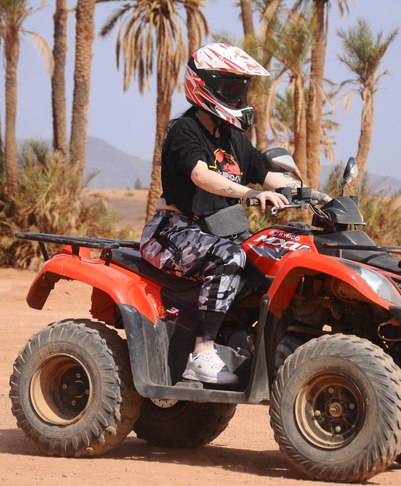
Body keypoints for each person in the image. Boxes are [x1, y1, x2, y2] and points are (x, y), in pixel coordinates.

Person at [140, 43, 330, 385]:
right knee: (230, 257)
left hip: (211, 232)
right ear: (206, 86)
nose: (239, 97)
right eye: (230, 89)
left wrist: (314, 194)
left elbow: (264, 170)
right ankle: (202, 352)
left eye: (241, 89)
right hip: (171, 231)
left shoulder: (232, 138)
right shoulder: (185, 131)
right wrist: (251, 193)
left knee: (281, 251)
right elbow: (201, 175)